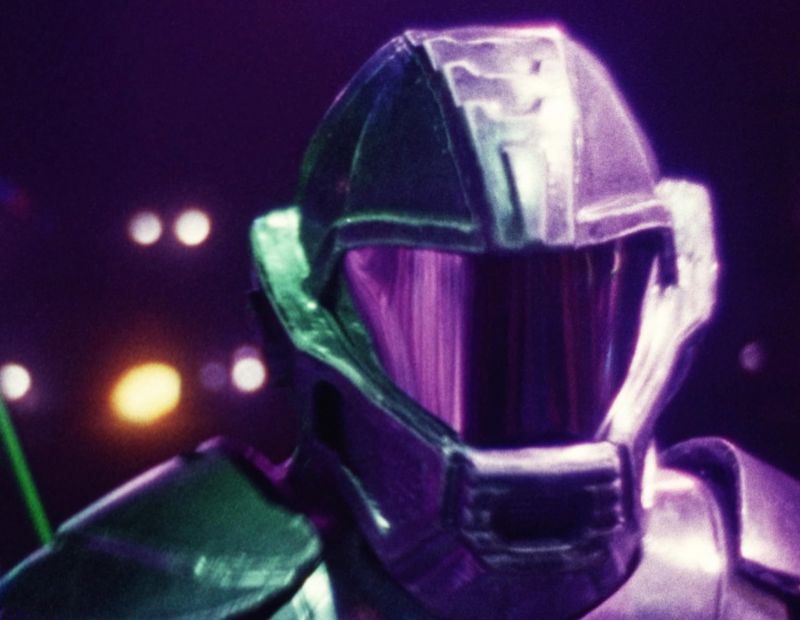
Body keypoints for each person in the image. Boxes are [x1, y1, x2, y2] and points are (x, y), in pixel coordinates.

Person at [1, 24, 798, 619]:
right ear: (315, 324)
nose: (523, 385)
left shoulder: (762, 574)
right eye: (437, 311)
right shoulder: (167, 586)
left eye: (569, 312)